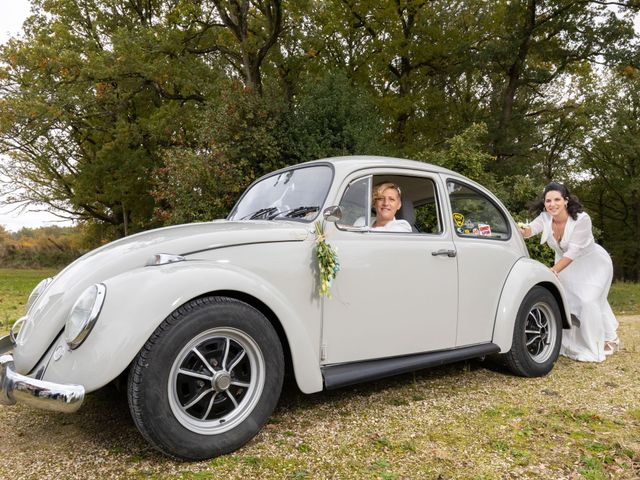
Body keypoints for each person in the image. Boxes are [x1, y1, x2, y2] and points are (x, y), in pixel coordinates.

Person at [519, 182, 619, 362]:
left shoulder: (582, 219)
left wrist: (552, 272)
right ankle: (580, 341)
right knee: (569, 301)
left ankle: (599, 344)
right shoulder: (545, 218)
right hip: (566, 265)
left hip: (593, 264)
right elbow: (529, 231)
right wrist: (519, 229)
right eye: (548, 200)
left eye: (557, 199)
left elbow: (573, 252)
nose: (552, 204)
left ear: (565, 201)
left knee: (589, 301)